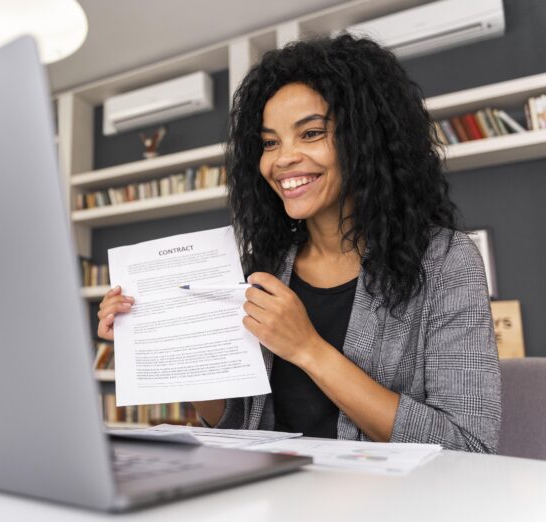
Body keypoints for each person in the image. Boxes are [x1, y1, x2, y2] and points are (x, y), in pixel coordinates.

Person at [97, 34, 501, 453]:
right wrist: (158, 340)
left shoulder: (445, 261)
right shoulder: (265, 267)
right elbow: (240, 423)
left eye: (310, 133)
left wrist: (308, 348)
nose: (282, 158)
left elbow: (468, 445)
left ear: (366, 140)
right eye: (270, 142)